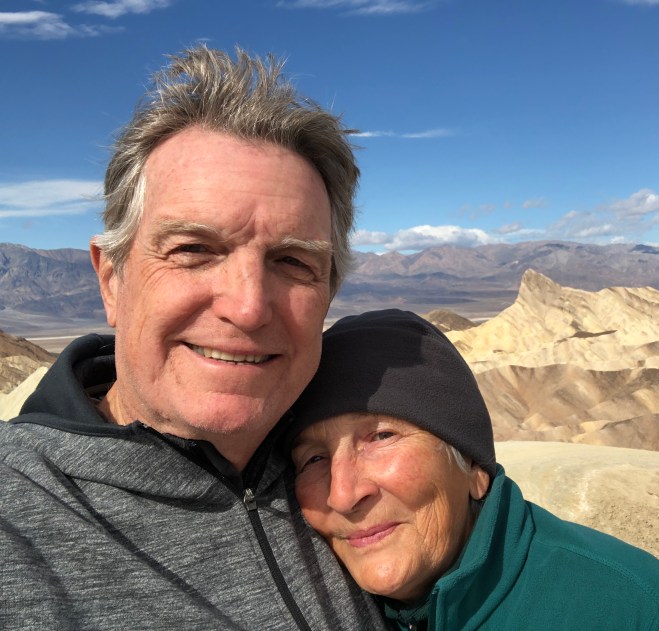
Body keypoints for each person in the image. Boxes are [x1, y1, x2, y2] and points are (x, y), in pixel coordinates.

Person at [0, 46, 387, 630]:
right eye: (194, 250)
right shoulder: (17, 512)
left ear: (328, 295)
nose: (249, 307)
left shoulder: (360, 485)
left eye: (291, 261)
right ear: (112, 280)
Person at [283, 309, 659, 630]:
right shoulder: (325, 607)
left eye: (382, 436)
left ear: (473, 466)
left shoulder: (648, 615)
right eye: (314, 459)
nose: (342, 493)